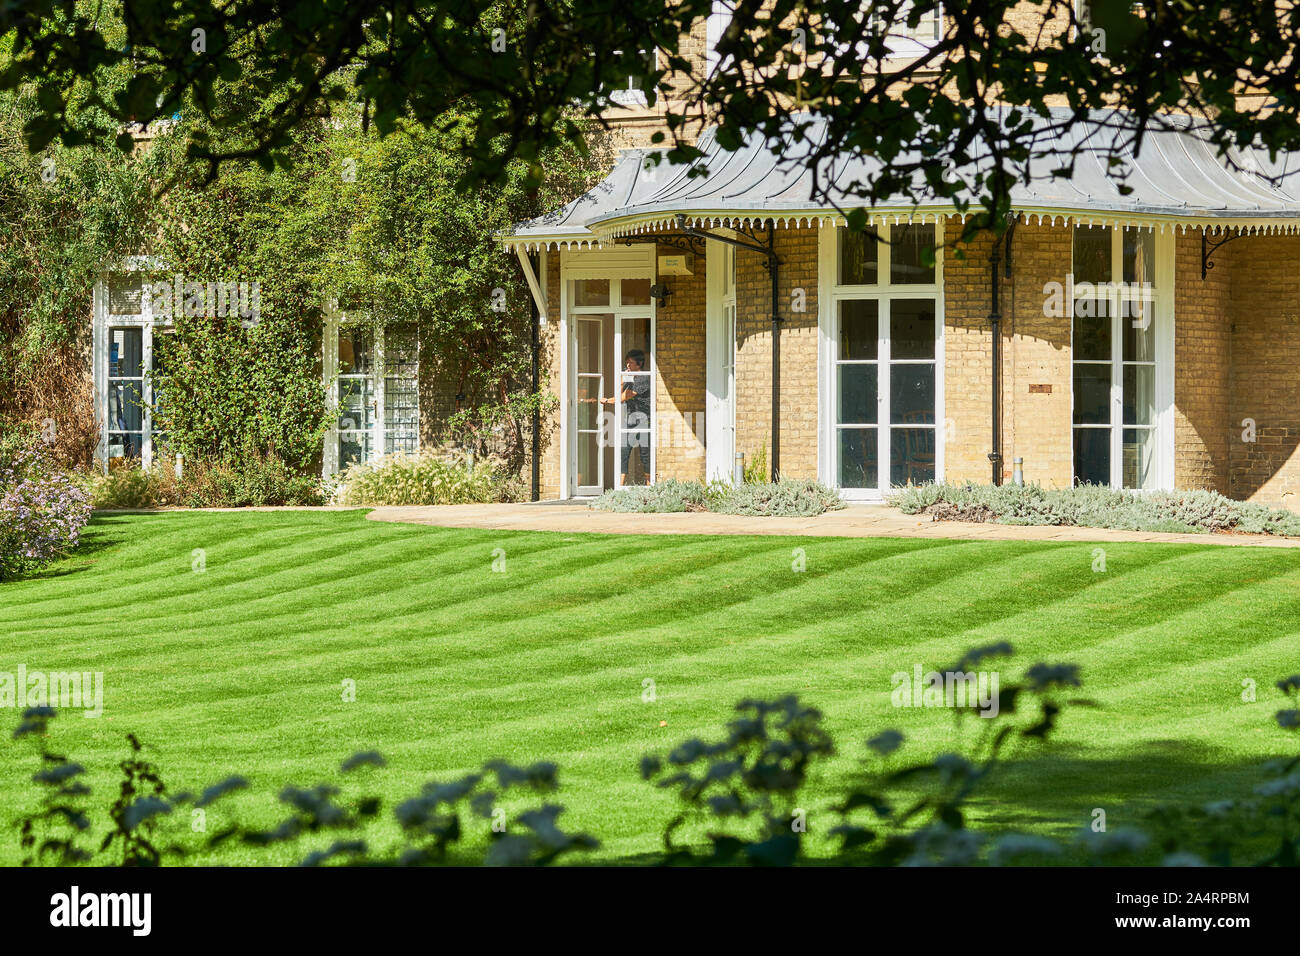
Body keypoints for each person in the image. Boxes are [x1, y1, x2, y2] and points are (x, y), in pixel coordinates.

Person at [586, 349, 651, 486]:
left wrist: (608, 400)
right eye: (626, 362)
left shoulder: (644, 378)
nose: (627, 365)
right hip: (631, 419)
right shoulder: (630, 376)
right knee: (624, 450)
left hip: (644, 419)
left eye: (630, 363)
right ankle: (621, 485)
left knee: (645, 452)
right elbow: (620, 391)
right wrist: (623, 379)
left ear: (639, 364)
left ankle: (649, 484)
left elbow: (626, 396)